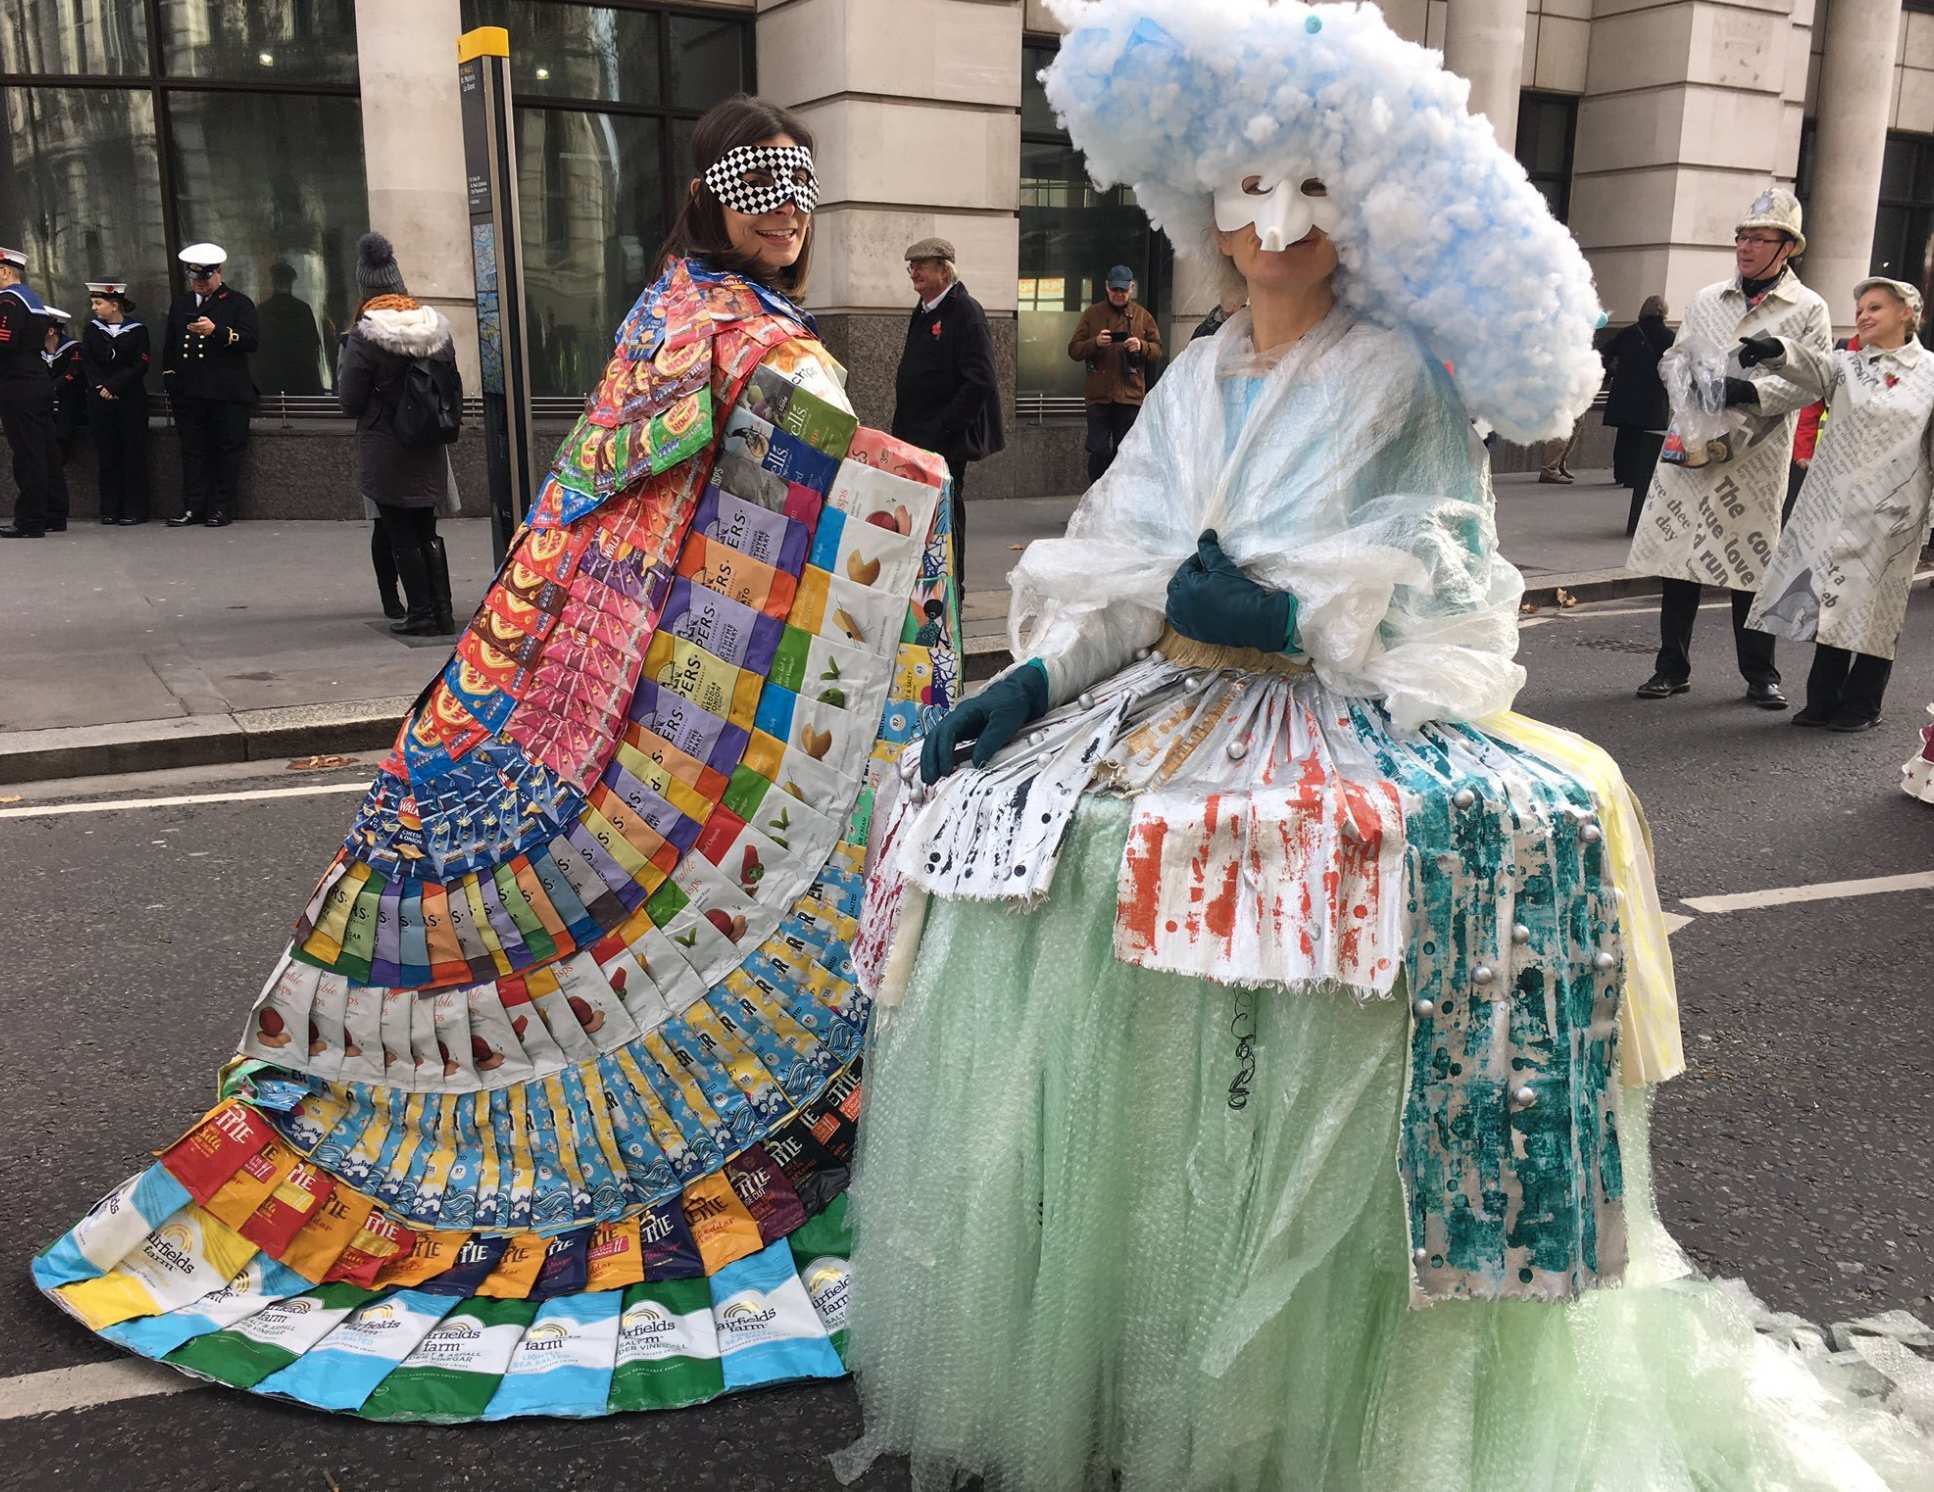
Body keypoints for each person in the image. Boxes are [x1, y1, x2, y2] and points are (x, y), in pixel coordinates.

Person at [838, 5, 1934, 1489]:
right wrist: (1031, 681)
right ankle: (1132, 1315)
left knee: (1327, 966)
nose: (1270, 223)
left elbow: (1452, 602)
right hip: (1174, 706)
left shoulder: (1396, 377)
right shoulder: (1194, 372)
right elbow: (1124, 560)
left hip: (1336, 720)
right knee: (1051, 891)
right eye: (1243, 191)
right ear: (1200, 204)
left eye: (1302, 192)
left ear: (1354, 208)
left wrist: (1293, 618)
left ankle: (1301, 1371)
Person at [31, 92, 958, 1427]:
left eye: (799, 192)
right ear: (710, 197)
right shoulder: (722, 329)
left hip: (671, 661)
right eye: (759, 189)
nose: (784, 215)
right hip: (662, 680)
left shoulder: (673, 317)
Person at [1627, 187, 1830, 709]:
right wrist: (1686, 382)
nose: (1745, 247)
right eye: (1742, 236)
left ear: (1787, 247)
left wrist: (1752, 392)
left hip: (1756, 455)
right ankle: (1670, 667)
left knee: (1751, 565)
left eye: (1759, 239)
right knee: (1679, 560)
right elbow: (1674, 357)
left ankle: (1760, 673)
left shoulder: (1808, 308)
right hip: (1692, 441)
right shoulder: (1707, 298)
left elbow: (1816, 378)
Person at [1734, 278, 1934, 732]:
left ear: (1907, 313)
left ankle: (1863, 704)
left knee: (1876, 608)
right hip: (1835, 508)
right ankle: (1822, 700)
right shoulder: (1845, 366)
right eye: (1860, 307)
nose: (1863, 315)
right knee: (1833, 600)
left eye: (1875, 308)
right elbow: (1808, 369)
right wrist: (1773, 351)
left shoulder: (1931, 373)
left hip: (1894, 514)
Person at [336, 233, 462, 637]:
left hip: (386, 445)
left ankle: (422, 612)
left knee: (398, 527)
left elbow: (350, 400)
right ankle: (442, 611)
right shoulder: (435, 329)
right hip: (428, 443)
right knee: (426, 525)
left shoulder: (365, 335)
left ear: (366, 288)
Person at [891, 236, 1004, 591]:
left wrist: (943, 430)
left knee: (947, 513)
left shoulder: (965, 311)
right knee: (923, 514)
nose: (914, 272)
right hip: (916, 436)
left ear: (944, 269)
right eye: (912, 266)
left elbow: (980, 381)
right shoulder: (925, 309)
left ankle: (952, 590)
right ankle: (928, 584)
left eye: (921, 265)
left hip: (943, 441)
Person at [162, 242, 258, 528]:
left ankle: (221, 506)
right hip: (190, 392)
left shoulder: (238, 303)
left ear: (218, 274)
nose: (200, 285)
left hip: (225, 392)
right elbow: (170, 345)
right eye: (195, 279)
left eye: (205, 279)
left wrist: (217, 332)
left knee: (226, 451)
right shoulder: (181, 304)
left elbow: (251, 341)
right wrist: (171, 379)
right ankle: (193, 505)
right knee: (192, 450)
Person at [1069, 263, 1162, 480]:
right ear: (1107, 288)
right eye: (1115, 290)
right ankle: (1096, 496)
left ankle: (1119, 501)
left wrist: (1141, 346)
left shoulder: (1143, 316)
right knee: (1099, 450)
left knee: (1126, 452)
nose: (1119, 294)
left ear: (1132, 288)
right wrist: (1095, 343)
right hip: (1099, 395)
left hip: (1130, 395)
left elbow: (1158, 350)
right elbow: (1074, 349)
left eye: (1123, 290)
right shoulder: (1093, 314)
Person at [81, 279, 152, 526]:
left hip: (129, 398)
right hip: (100, 399)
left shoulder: (137, 329)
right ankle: (110, 507)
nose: (94, 308)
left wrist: (115, 385)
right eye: (93, 303)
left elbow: (141, 362)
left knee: (132, 453)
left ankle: (134, 508)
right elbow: (87, 361)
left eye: (98, 303)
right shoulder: (91, 329)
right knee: (107, 454)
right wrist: (100, 385)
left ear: (114, 305)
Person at [1602, 294, 1675, 534]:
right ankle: (1637, 476)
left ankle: (1620, 472)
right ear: (1663, 312)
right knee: (1647, 439)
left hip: (1625, 393)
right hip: (1652, 395)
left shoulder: (1629, 332)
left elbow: (1605, 352)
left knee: (1625, 435)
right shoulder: (1669, 337)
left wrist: (1614, 371)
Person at [0, 244, 57, 540]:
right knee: (44, 449)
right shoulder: (32, 298)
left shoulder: (8, 300)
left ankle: (30, 520)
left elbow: (4, 343)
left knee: (27, 453)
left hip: (17, 383)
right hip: (35, 377)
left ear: (5, 271)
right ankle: (53, 513)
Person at [254, 260, 326, 397]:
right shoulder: (303, 309)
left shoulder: (263, 310)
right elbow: (313, 347)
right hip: (302, 380)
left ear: (273, 282)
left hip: (270, 381)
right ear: (291, 282)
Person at [38, 305, 79, 533]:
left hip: (66, 408)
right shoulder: (35, 350)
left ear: (52, 330)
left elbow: (73, 373)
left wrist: (51, 388)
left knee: (55, 458)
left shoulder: (72, 348)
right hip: (44, 410)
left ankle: (55, 512)